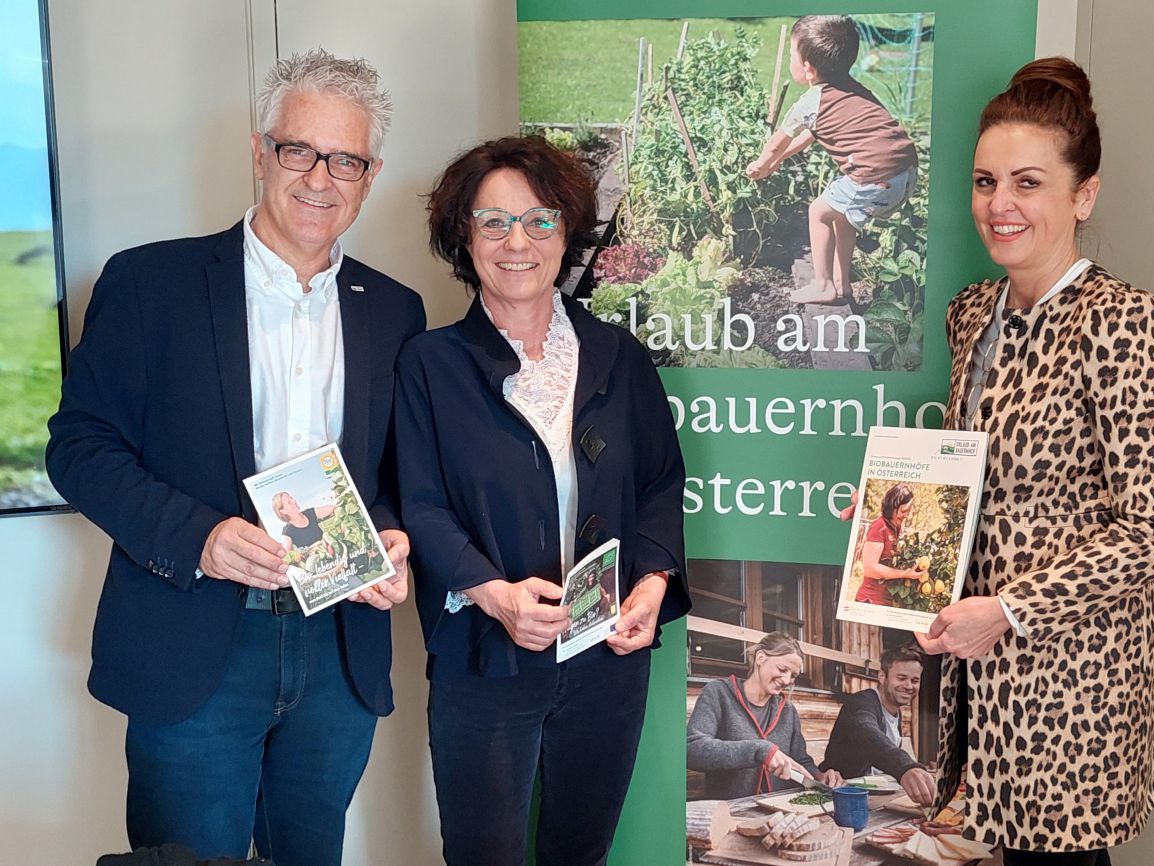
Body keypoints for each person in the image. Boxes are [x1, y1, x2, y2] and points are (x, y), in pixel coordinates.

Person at [45, 49, 425, 866]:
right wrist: (202, 538)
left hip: (337, 651)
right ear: (262, 152)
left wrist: (390, 538)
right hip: (194, 645)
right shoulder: (151, 283)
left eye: (346, 160)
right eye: (300, 150)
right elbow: (78, 448)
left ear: (370, 174)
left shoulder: (394, 310)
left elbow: (394, 476)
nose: (320, 178)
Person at [916, 58, 1154, 865]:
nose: (1000, 205)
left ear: (1083, 195)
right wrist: (898, 520)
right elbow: (983, 479)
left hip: (1074, 682)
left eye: (1027, 183)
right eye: (985, 181)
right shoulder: (972, 314)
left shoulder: (1122, 322)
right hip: (982, 677)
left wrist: (1010, 610)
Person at [397, 135, 690, 866]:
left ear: (568, 234)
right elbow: (420, 503)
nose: (516, 241)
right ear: (463, 237)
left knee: (581, 852)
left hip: (607, 661)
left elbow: (660, 483)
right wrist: (494, 594)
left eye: (539, 220)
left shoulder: (619, 355)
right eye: (492, 222)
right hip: (484, 658)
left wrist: (652, 584)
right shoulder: (431, 363)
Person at [746, 14, 918, 305]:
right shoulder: (851, 89)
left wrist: (763, 165)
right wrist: (778, 162)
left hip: (873, 176)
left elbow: (778, 141)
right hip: (905, 171)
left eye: (791, 55)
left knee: (819, 212)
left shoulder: (811, 102)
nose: (790, 61)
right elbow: (811, 135)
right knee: (841, 217)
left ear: (808, 68)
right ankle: (842, 284)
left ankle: (823, 285)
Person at [687, 632, 844, 800]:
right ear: (760, 658)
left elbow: (800, 760)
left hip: (781, 811)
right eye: (782, 669)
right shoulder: (718, 693)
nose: (786, 680)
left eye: (793, 676)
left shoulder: (788, 711)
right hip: (731, 814)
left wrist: (819, 777)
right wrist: (760, 750)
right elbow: (693, 750)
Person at [820, 644, 935, 805]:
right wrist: (906, 767)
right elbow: (867, 732)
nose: (909, 686)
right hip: (841, 796)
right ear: (882, 676)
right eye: (901, 678)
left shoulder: (896, 711)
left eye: (915, 680)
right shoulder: (861, 702)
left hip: (877, 797)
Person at [856, 482, 927, 605]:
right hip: (870, 601)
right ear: (892, 506)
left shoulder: (896, 528)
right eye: (904, 511)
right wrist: (905, 574)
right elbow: (869, 569)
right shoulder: (879, 526)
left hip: (886, 602)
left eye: (908, 511)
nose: (906, 515)